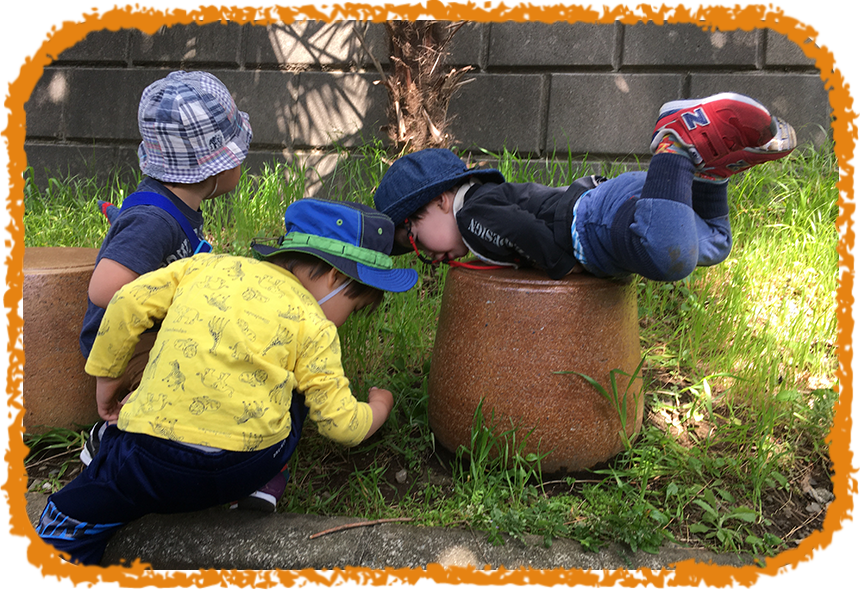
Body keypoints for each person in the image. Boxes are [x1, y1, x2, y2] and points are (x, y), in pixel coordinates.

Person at [36, 198, 419, 566]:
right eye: (353, 309)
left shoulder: (203, 267)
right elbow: (342, 426)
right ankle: (263, 486)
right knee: (296, 394)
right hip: (244, 466)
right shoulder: (315, 325)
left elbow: (125, 304)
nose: (345, 321)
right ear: (336, 276)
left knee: (74, 514)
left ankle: (94, 471)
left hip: (150, 462)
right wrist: (379, 406)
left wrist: (108, 385)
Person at [373, 92, 797, 282]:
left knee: (672, 258)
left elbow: (525, 233)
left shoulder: (470, 216)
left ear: (443, 200)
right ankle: (708, 175)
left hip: (595, 222)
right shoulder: (473, 217)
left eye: (413, 235)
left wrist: (563, 267)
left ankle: (675, 145)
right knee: (714, 243)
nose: (424, 252)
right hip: (616, 205)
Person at [79, 70, 252, 468]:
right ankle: (113, 437)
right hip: (128, 352)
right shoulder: (153, 218)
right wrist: (184, 293)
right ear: (215, 167)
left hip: (155, 340)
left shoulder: (178, 206)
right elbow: (105, 289)